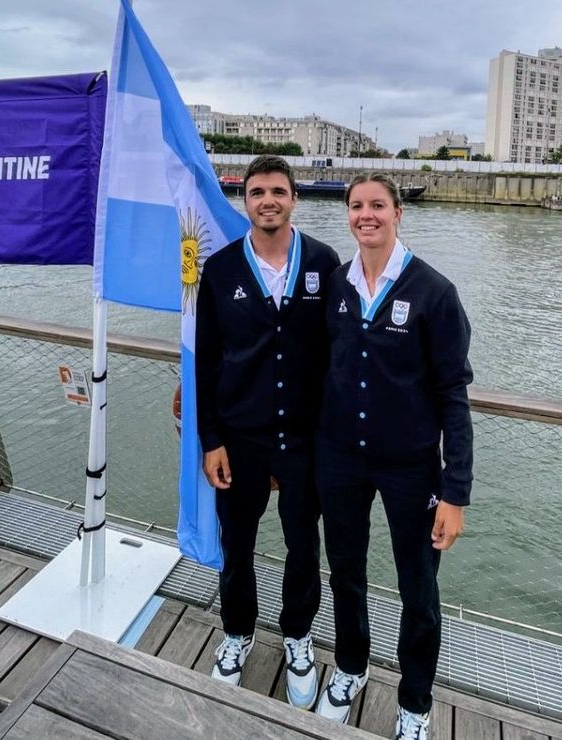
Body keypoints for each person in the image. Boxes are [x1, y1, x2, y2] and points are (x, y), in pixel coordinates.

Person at [314, 173, 473, 740]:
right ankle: (352, 667)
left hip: (411, 468)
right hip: (341, 460)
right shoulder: (336, 285)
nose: (366, 215)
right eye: (356, 206)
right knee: (346, 572)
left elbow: (453, 395)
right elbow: (316, 369)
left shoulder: (434, 292)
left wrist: (455, 492)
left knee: (419, 590)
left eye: (377, 205)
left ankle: (415, 702)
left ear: (398, 213)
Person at [195, 155, 340, 709]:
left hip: (305, 439)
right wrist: (211, 439)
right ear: (245, 200)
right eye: (257, 193)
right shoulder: (223, 268)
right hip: (241, 437)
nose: (267, 201)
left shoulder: (325, 264)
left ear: (294, 198)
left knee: (304, 546)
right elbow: (207, 359)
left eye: (278, 191)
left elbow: (343, 352)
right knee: (239, 546)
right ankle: (238, 632)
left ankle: (298, 637)